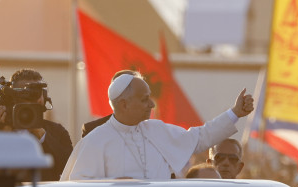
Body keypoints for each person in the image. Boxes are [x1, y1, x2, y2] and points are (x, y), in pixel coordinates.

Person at [61, 71, 254, 180]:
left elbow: (200, 137)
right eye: (145, 100)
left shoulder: (157, 130)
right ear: (124, 104)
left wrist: (235, 113)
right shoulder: (95, 141)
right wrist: (114, 185)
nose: (152, 105)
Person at [0, 68, 73, 181]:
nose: (34, 99)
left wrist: (42, 135)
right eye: (27, 94)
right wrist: (1, 133)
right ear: (13, 98)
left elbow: (69, 169)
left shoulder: (57, 132)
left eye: (37, 94)